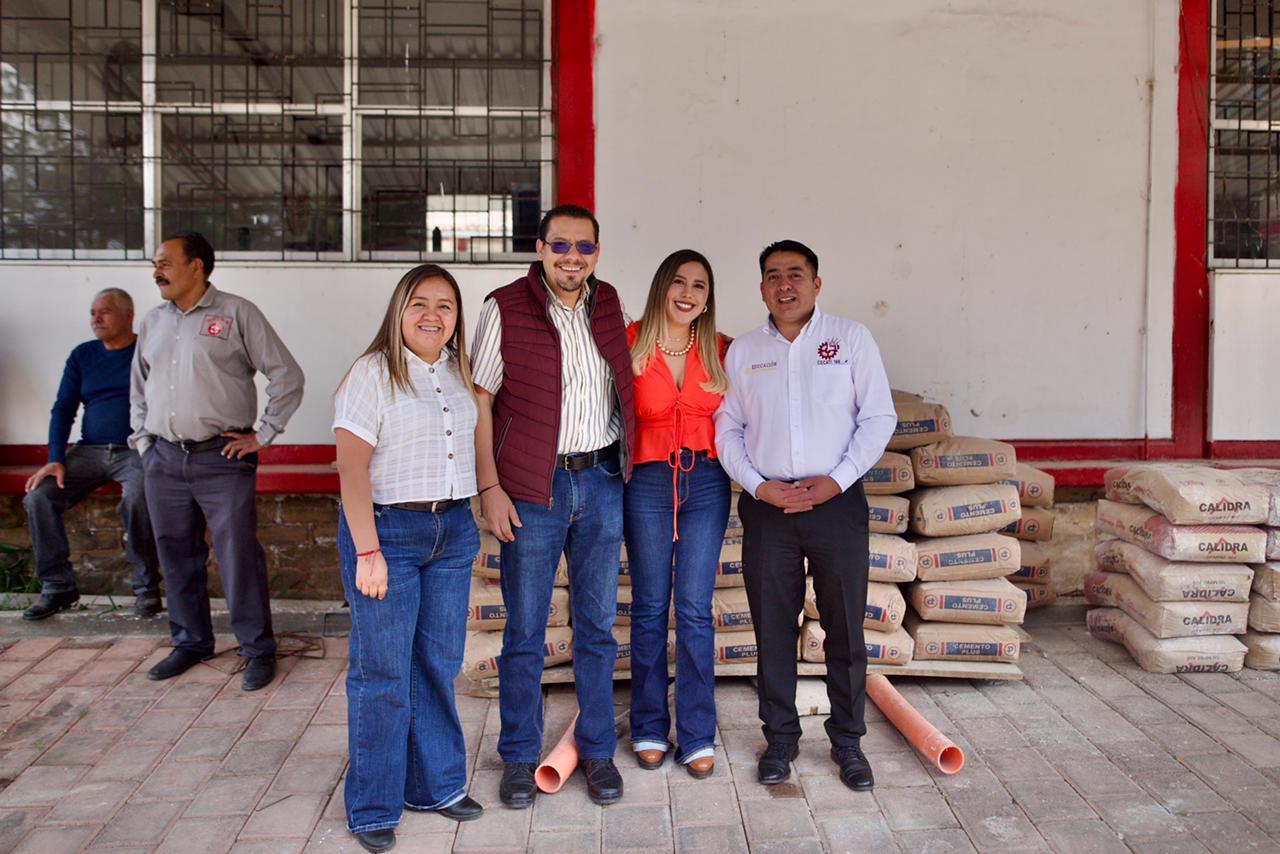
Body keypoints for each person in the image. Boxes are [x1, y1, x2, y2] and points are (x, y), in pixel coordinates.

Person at [714, 239, 896, 792]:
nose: (784, 285)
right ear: (761, 288)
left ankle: (848, 741)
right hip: (769, 510)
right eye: (773, 275)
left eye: (795, 274)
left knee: (845, 627)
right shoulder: (744, 352)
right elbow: (727, 428)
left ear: (817, 284)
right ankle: (780, 739)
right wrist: (759, 486)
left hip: (836, 505)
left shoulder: (850, 339)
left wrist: (836, 481)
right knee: (772, 628)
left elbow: (878, 417)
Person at [470, 204, 636, 807]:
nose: (572, 257)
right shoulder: (504, 306)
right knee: (525, 630)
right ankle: (518, 756)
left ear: (597, 253)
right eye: (560, 245)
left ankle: (596, 750)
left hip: (602, 481)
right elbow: (480, 400)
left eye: (584, 247)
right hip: (532, 490)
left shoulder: (609, 303)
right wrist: (489, 487)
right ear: (539, 249)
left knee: (596, 627)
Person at [333, 264, 483, 853]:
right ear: (398, 310)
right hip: (388, 532)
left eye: (445, 305)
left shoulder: (457, 370)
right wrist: (367, 550)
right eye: (419, 303)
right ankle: (373, 806)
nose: (432, 315)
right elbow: (351, 470)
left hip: (452, 529)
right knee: (383, 673)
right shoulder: (371, 373)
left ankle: (435, 785)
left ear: (456, 317)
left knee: (438, 664)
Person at [130, 232, 304, 692]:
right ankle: (190, 642)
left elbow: (287, 375)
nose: (157, 272)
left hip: (221, 459)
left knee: (237, 556)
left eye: (165, 263)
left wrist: (263, 434)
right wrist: (144, 444)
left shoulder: (236, 313)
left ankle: (257, 649)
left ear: (196, 267)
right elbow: (139, 388)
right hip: (164, 459)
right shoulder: (152, 321)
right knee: (175, 553)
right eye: (155, 264)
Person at [623, 249, 731, 779]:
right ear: (662, 286)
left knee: (692, 608)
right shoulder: (628, 342)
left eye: (700, 286)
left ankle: (696, 733)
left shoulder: (721, 349)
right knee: (648, 607)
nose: (688, 294)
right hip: (647, 482)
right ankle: (647, 724)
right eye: (680, 282)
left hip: (706, 482)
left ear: (708, 299)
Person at [22, 289, 162, 620]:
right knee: (39, 497)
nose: (96, 319)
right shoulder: (82, 355)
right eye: (93, 312)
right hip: (88, 451)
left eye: (105, 312)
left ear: (129, 315)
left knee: (139, 497)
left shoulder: (149, 352)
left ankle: (146, 587)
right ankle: (57, 586)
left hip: (135, 449)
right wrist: (55, 458)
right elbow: (63, 408)